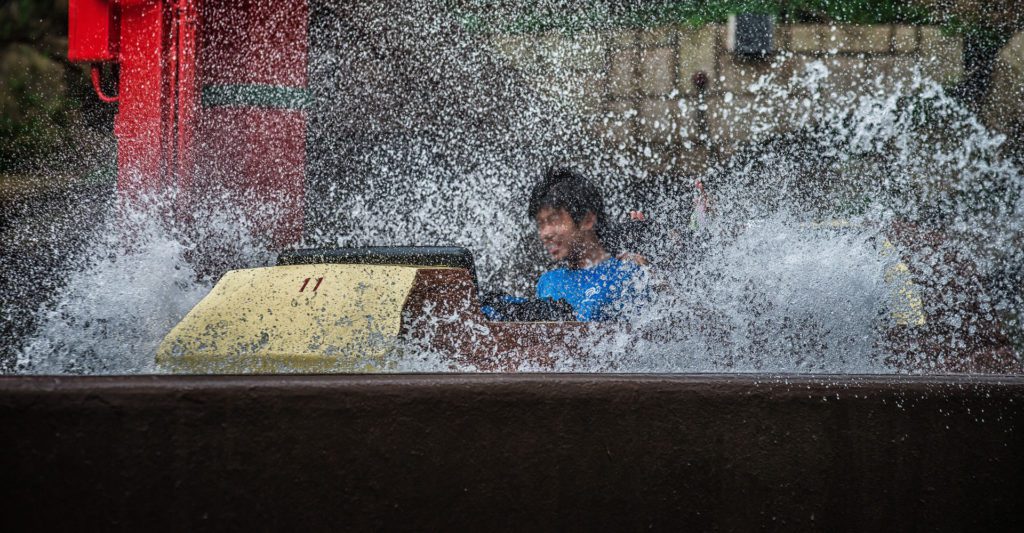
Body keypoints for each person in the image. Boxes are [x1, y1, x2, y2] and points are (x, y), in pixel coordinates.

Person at [527, 167, 647, 321]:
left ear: (587, 220)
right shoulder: (549, 282)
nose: (545, 233)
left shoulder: (627, 272)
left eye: (555, 220)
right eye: (541, 224)